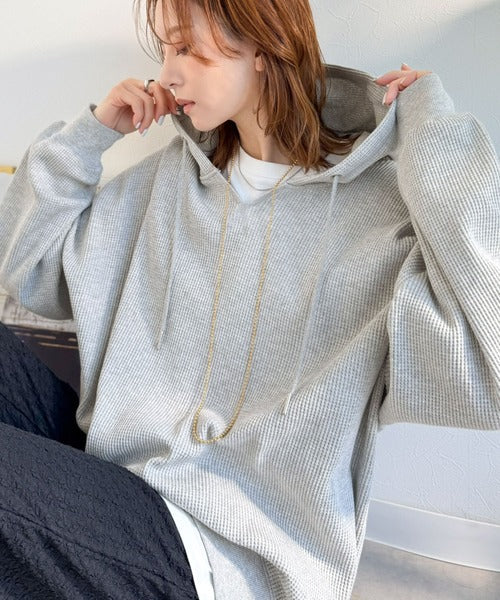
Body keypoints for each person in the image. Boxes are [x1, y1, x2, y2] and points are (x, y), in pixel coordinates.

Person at [0, 0, 499, 598]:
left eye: (187, 48)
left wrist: (432, 133)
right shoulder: (168, 179)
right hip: (111, 477)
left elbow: (491, 364)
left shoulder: (383, 218)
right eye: (165, 50)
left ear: (263, 48)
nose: (167, 75)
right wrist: (92, 134)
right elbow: (28, 271)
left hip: (219, 550)